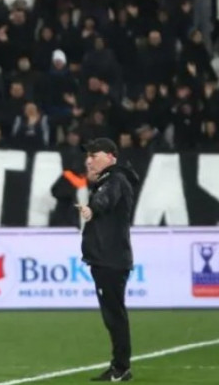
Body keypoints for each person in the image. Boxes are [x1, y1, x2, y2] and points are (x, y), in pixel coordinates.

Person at [78, 138, 140, 382]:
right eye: (88, 155)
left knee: (114, 316)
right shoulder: (112, 180)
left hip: (110, 259)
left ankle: (121, 366)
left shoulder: (114, 179)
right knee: (114, 314)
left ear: (111, 156)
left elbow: (106, 200)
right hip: (109, 258)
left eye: (95, 155)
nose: (89, 160)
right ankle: (120, 365)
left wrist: (93, 208)